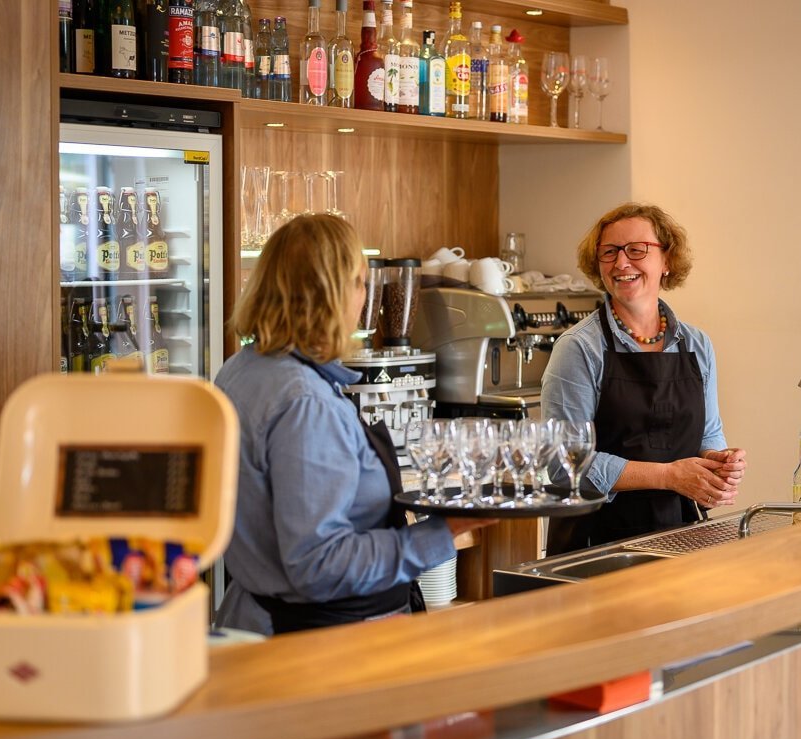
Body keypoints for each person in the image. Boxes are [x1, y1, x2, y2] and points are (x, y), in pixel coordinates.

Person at [214, 214, 492, 635]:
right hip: (313, 640)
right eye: (362, 283)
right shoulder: (305, 402)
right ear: (334, 293)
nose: (365, 297)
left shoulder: (242, 368)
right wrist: (446, 531)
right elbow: (318, 565)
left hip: (254, 619)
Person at [541, 202, 747, 555]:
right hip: (597, 543)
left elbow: (708, 433)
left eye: (637, 250)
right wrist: (669, 476)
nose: (622, 263)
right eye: (609, 252)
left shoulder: (697, 345)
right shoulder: (578, 348)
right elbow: (564, 465)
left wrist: (720, 462)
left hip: (681, 536)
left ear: (667, 260)